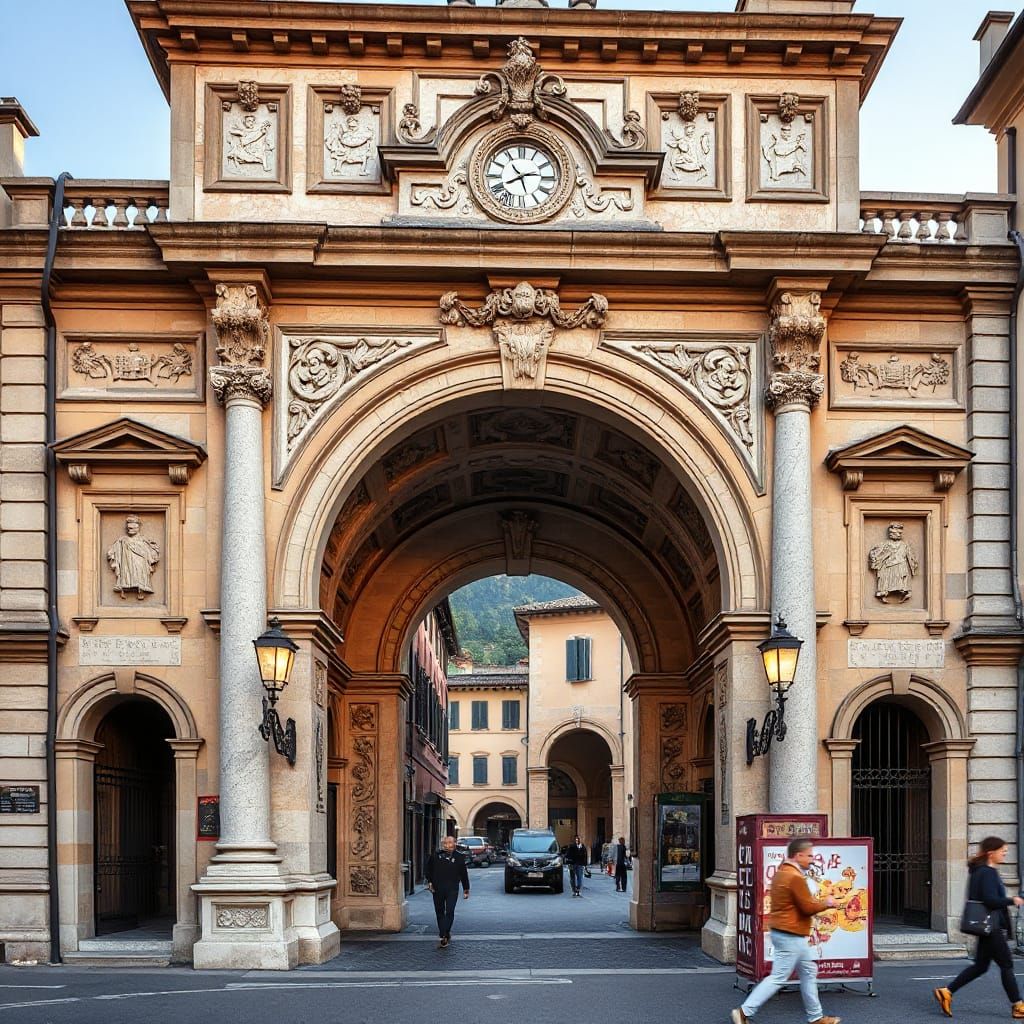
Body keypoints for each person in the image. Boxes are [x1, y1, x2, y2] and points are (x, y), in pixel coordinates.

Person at [731, 837, 841, 1024]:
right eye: (809, 856)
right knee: (778, 977)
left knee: (807, 972)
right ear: (798, 855)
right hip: (792, 934)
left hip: (785, 932)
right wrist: (827, 902)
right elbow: (807, 908)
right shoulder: (795, 878)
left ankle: (816, 1017)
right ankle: (744, 1012)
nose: (812, 859)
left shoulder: (782, 873)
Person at [934, 836, 1024, 1019]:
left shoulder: (978, 871)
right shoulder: (988, 872)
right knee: (1006, 964)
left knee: (981, 966)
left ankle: (947, 991)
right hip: (992, 927)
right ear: (991, 853)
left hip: (985, 926)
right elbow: (990, 900)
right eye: (1002, 851)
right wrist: (1012, 900)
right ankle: (1018, 1005)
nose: (1005, 854)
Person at [424, 835, 469, 948]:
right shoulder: (435, 855)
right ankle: (444, 932)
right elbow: (428, 870)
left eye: (451, 842)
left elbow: (463, 873)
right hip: (437, 888)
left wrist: (466, 889)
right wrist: (430, 882)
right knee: (439, 911)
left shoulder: (459, 857)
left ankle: (445, 933)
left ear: (455, 843)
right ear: (443, 844)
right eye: (446, 843)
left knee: (450, 910)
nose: (449, 844)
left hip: (452, 888)